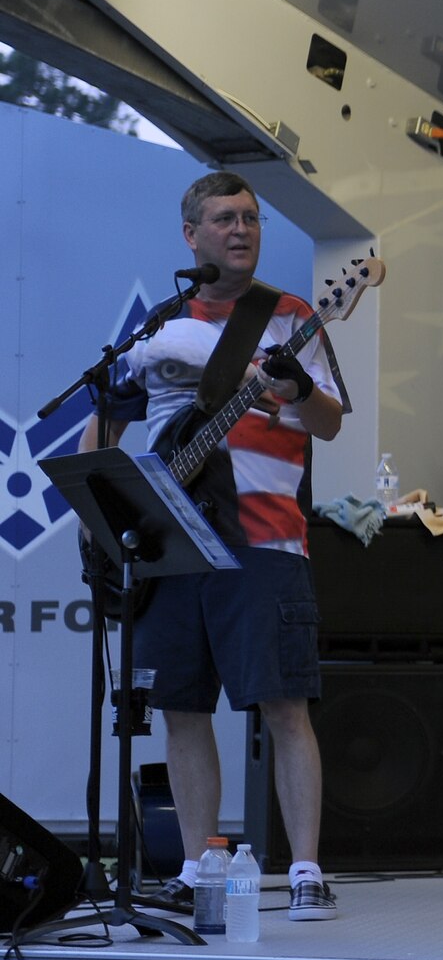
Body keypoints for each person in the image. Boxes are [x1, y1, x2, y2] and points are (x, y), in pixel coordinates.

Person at [84, 171, 348, 920]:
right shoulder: (158, 327)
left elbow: (328, 423)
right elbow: (106, 424)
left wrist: (297, 391)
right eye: (225, 218)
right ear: (191, 235)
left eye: (252, 218)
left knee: (283, 703)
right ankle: (203, 861)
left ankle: (305, 869)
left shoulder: (291, 316)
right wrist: (99, 525)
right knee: (181, 707)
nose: (241, 229)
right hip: (172, 545)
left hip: (265, 539)